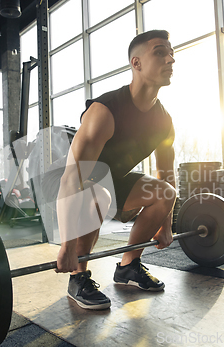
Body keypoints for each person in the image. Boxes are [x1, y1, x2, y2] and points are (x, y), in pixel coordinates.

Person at [55, 30, 176, 310]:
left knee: (166, 193)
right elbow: (72, 178)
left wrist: (166, 224)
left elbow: (166, 174)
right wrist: (67, 245)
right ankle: (78, 277)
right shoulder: (105, 111)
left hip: (113, 183)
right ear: (137, 63)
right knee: (101, 196)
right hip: (75, 189)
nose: (170, 59)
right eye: (160, 52)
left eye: (171, 53)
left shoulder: (165, 121)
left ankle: (129, 266)